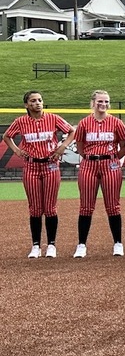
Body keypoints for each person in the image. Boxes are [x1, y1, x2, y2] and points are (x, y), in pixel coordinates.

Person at [3, 91, 76, 258]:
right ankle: (35, 245)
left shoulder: (53, 118)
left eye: (40, 100)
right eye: (33, 101)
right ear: (26, 105)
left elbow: (71, 131)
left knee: (50, 208)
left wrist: (62, 147)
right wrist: (16, 150)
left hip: (50, 166)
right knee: (35, 208)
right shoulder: (21, 121)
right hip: (31, 167)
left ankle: (51, 244)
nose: (38, 103)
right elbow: (7, 136)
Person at [73, 90, 125, 258]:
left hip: (110, 164)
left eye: (106, 101)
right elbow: (80, 146)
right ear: (93, 102)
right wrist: (90, 157)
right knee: (86, 206)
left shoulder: (116, 122)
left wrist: (113, 159)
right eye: (100, 101)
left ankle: (118, 243)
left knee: (113, 206)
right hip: (89, 164)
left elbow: (124, 145)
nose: (103, 104)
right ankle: (82, 244)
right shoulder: (84, 123)